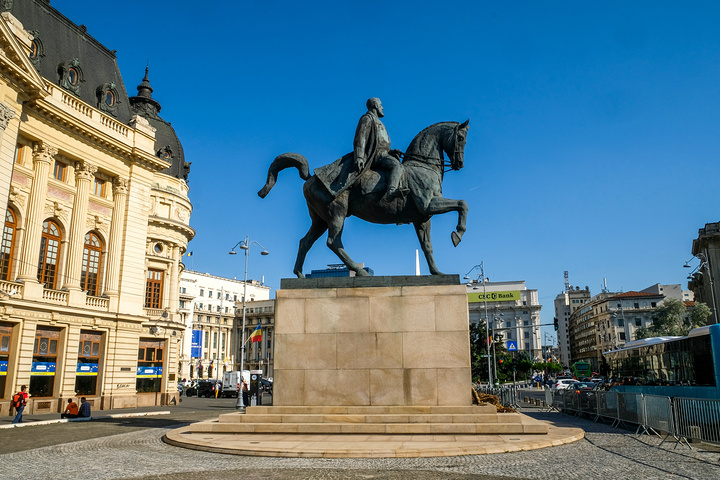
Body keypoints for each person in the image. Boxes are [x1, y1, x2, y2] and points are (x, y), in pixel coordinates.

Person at [353, 97, 405, 199]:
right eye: (381, 105)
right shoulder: (367, 118)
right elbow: (361, 138)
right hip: (376, 155)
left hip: (384, 153)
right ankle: (391, 191)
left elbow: (382, 143)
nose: (383, 108)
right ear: (376, 106)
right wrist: (359, 157)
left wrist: (391, 151)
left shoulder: (378, 121)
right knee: (397, 166)